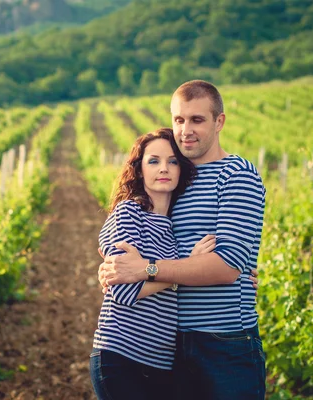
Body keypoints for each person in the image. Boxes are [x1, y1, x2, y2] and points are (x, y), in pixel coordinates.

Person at [99, 80, 266, 399]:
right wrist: (111, 266)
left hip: (223, 341)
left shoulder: (237, 175)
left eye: (197, 120)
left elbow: (227, 266)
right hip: (170, 342)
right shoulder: (175, 177)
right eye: (179, 119)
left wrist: (145, 270)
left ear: (219, 122)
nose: (186, 129)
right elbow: (132, 238)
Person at [90, 128, 218, 400]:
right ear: (139, 170)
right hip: (121, 357)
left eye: (173, 161)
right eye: (154, 161)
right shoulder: (129, 213)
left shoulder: (177, 227)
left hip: (161, 364)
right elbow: (125, 292)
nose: (164, 168)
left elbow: (210, 268)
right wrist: (183, 271)